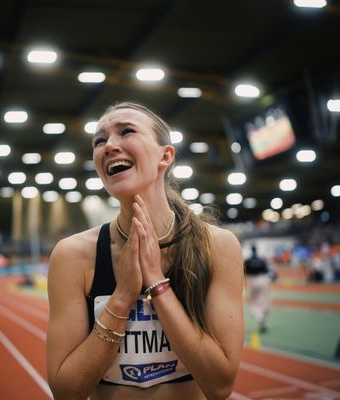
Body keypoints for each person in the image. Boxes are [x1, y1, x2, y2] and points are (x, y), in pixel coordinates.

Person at [46, 101, 244, 400]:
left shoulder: (217, 246)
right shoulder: (72, 255)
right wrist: (123, 297)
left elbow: (220, 385)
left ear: (165, 156)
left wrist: (157, 284)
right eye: (99, 141)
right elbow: (66, 391)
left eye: (126, 132)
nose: (109, 145)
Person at [244, 245, 272, 334]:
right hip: (264, 281)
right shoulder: (261, 260)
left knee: (253, 303)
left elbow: (244, 272)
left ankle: (260, 317)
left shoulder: (247, 261)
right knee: (264, 301)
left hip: (253, 281)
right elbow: (267, 271)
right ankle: (264, 314)